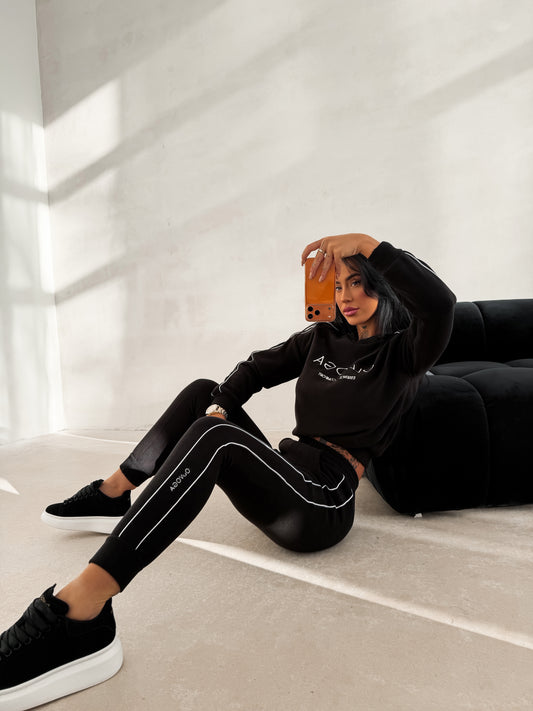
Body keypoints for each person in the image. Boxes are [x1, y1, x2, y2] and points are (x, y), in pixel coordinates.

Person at [0, 233, 456, 711]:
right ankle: (113, 492)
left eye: (359, 283)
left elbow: (440, 304)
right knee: (205, 394)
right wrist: (221, 404)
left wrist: (368, 243)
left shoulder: (405, 354)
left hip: (321, 502)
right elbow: (255, 368)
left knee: (214, 434)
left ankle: (84, 607)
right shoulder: (323, 338)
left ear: (384, 285)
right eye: (338, 285)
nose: (346, 296)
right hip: (285, 470)